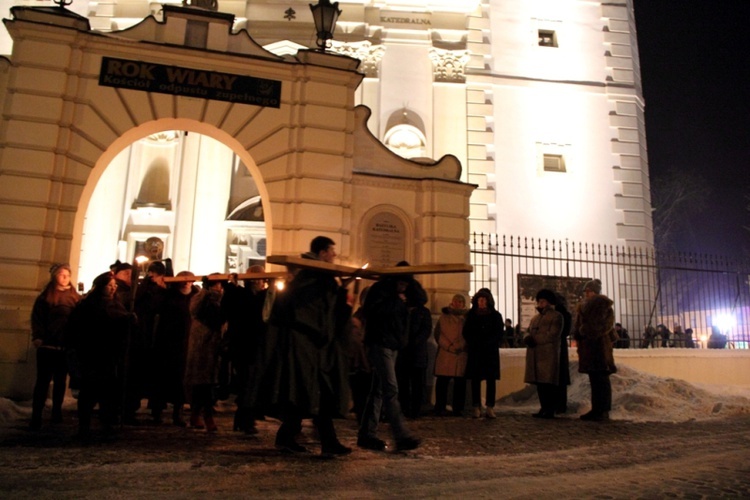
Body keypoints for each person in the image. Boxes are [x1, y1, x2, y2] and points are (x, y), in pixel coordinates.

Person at [260, 236, 353, 457]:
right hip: (306, 347)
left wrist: (342, 289)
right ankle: (324, 442)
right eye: (332, 251)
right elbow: (312, 312)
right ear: (322, 253)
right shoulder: (311, 278)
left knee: (309, 393)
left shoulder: (318, 278)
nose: (334, 255)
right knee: (310, 393)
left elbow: (331, 311)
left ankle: (291, 438)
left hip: (314, 347)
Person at [357, 261, 421, 452]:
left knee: (378, 390)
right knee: (390, 389)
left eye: (407, 283)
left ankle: (366, 434)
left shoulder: (403, 294)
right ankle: (400, 435)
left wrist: (411, 285)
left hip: (392, 345)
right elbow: (371, 311)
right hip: (379, 343)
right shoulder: (381, 290)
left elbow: (421, 298)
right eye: (402, 281)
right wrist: (396, 301)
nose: (405, 286)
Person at [67, 271, 135, 438]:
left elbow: (122, 327)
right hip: (92, 354)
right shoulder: (88, 306)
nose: (112, 289)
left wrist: (129, 321)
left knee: (109, 392)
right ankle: (84, 425)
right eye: (109, 286)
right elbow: (80, 328)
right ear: (100, 287)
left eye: (114, 286)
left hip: (111, 356)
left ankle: (107, 424)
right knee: (89, 392)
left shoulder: (117, 305)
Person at [29, 263, 81, 430]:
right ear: (54, 276)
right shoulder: (45, 298)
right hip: (48, 346)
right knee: (43, 381)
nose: (65, 277)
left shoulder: (75, 298)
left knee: (60, 381)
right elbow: (37, 318)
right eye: (61, 274)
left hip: (65, 347)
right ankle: (36, 414)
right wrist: (38, 337)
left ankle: (56, 411)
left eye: (67, 274)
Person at [150, 270, 199, 427]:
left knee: (181, 380)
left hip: (187, 341)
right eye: (182, 280)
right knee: (163, 377)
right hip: (168, 341)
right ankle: (157, 411)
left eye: (188, 280)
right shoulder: (168, 296)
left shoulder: (195, 296)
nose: (185, 283)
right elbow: (157, 309)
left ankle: (178, 412)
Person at [223, 265, 267, 435]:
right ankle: (245, 418)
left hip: (256, 345)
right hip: (243, 345)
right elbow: (229, 311)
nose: (257, 281)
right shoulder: (241, 294)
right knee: (246, 382)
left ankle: (244, 417)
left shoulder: (263, 296)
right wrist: (231, 287)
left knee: (251, 383)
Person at [184, 274, 225, 432]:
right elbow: (194, 310)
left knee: (209, 383)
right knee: (200, 383)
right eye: (216, 285)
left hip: (214, 346)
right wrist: (205, 293)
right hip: (200, 345)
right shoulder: (200, 298)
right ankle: (200, 414)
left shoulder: (222, 300)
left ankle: (203, 414)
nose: (218, 288)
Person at [573, 279, 616, 422]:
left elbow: (603, 326)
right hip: (589, 348)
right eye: (586, 291)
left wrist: (584, 331)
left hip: (599, 348)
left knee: (601, 380)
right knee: (595, 380)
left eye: (589, 291)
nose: (586, 294)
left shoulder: (602, 306)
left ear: (595, 292)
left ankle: (603, 410)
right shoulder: (585, 307)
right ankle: (596, 409)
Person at [463, 288, 504, 419]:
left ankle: (490, 407)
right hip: (475, 350)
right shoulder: (471, 315)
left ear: (488, 301)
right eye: (480, 300)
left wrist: (489, 342)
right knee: (475, 380)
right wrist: (474, 342)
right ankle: (476, 406)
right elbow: (466, 332)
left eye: (484, 300)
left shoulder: (496, 316)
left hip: (490, 351)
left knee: (491, 380)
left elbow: (499, 333)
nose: (482, 302)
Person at [523, 289, 563, 419]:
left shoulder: (556, 316)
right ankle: (543, 407)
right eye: (539, 301)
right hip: (535, 353)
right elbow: (528, 331)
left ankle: (550, 408)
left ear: (549, 302)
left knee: (547, 383)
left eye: (543, 301)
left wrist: (535, 340)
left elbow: (553, 335)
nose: (540, 304)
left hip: (547, 354)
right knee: (540, 383)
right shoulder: (536, 318)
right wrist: (527, 337)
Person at [395, 280, 432, 419]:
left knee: (417, 384)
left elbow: (425, 331)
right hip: (403, 353)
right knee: (402, 383)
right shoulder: (401, 309)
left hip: (417, 354)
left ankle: (415, 410)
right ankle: (404, 409)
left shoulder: (423, 312)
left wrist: (412, 342)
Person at [433, 294, 468, 417]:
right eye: (455, 301)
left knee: (460, 384)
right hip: (446, 353)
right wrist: (449, 346)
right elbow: (438, 334)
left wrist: (461, 345)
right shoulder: (444, 317)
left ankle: (458, 408)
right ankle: (440, 406)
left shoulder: (467, 318)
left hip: (461, 354)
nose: (457, 303)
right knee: (442, 381)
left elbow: (469, 334)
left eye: (460, 301)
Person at [554, 292, 572, 414]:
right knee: (559, 377)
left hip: (558, 347)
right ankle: (559, 405)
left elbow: (564, 332)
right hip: (557, 347)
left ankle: (560, 405)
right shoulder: (564, 314)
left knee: (559, 377)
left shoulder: (562, 315)